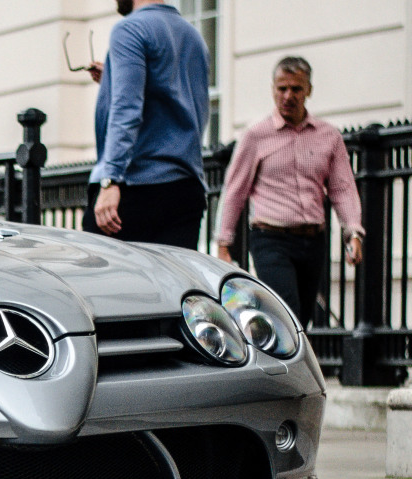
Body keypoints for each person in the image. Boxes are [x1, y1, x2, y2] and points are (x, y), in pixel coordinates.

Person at [215, 57, 363, 325]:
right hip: (270, 239)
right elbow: (235, 190)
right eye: (282, 88)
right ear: (273, 89)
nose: (288, 96)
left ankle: (283, 365)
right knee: (287, 313)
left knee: (302, 320)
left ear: (308, 90)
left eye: (296, 89)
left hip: (313, 240)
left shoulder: (328, 136)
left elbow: (342, 187)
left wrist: (352, 231)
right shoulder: (256, 135)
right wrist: (223, 243)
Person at [82, 0, 210, 248]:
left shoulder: (129, 29)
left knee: (106, 284)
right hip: (186, 190)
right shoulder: (194, 36)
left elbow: (127, 109)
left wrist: (111, 180)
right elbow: (182, 103)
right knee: (175, 286)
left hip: (136, 188)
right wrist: (111, 78)